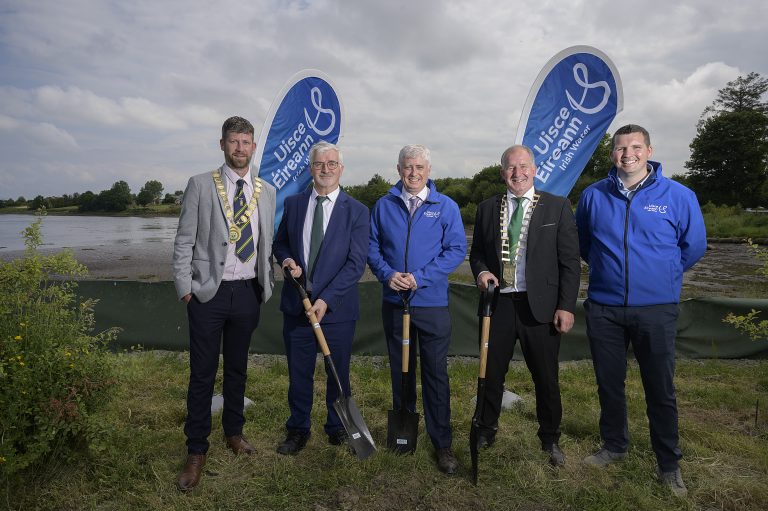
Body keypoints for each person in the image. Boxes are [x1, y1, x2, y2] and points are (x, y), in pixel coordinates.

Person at [575, 124, 707, 497]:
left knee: (660, 388)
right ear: (612, 153)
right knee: (609, 384)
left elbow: (693, 246)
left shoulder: (679, 195)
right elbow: (583, 244)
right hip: (604, 307)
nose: (627, 153)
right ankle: (614, 445)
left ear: (649, 150)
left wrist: (661, 274)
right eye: (620, 148)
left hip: (657, 309)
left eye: (635, 147)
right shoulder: (592, 195)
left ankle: (668, 462)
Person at [172, 116, 276, 491]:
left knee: (237, 369)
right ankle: (196, 450)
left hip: (247, 293)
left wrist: (269, 282)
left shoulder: (267, 190)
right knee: (201, 374)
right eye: (233, 141)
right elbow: (184, 239)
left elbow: (266, 242)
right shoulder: (201, 185)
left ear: (252, 146)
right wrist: (186, 287)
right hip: (208, 295)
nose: (240, 148)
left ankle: (234, 432)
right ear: (222, 145)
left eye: (246, 142)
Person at [469, 144, 581, 466]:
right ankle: (486, 429)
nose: (517, 173)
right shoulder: (487, 208)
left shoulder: (557, 207)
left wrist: (566, 306)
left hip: (542, 308)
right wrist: (482, 271)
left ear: (534, 169)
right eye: (510, 167)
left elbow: (570, 263)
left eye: (523, 166)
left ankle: (550, 438)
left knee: (546, 377)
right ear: (502, 172)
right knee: (490, 374)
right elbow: (476, 253)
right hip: (498, 306)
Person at [368, 144, 466, 474]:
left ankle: (442, 444)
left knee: (436, 375)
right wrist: (387, 274)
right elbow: (371, 246)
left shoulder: (446, 207)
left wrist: (420, 278)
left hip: (432, 305)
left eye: (419, 168)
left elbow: (455, 250)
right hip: (395, 304)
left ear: (428, 170)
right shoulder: (383, 205)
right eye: (408, 167)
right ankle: (404, 438)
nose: (413, 173)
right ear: (399, 169)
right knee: (402, 372)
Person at [272, 141, 369, 454]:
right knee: (299, 374)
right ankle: (298, 429)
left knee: (337, 372)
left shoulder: (357, 211)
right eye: (319, 164)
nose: (325, 170)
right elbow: (281, 244)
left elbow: (356, 264)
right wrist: (286, 260)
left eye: (331, 164)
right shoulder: (295, 204)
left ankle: (337, 427)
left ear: (341, 169)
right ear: (310, 168)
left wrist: (326, 299)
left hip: (336, 310)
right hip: (297, 306)